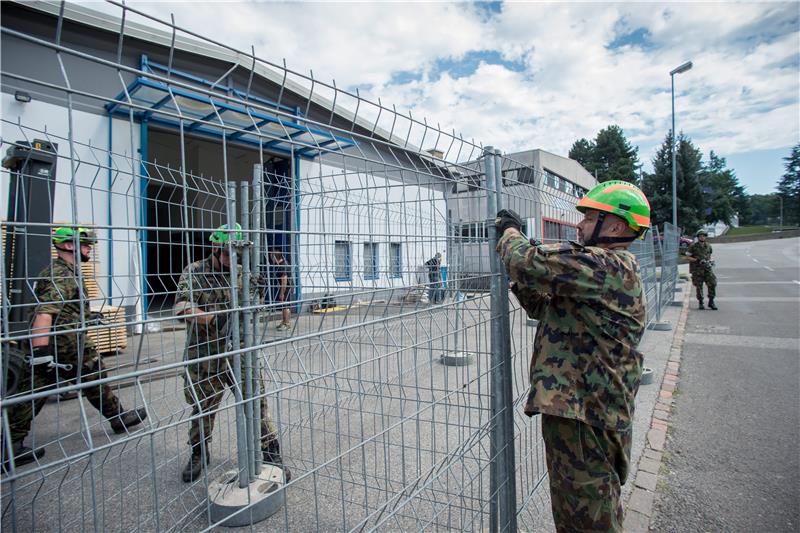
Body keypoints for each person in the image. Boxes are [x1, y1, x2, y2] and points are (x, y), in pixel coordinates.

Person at [495, 180, 651, 532]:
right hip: (586, 410)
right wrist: (522, 276)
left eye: (588, 217)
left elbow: (524, 259)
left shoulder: (606, 267)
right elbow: (546, 307)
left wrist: (508, 232)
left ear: (616, 226)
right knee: (586, 506)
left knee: (586, 516)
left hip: (586, 414)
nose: (578, 225)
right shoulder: (602, 273)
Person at [3, 227, 147, 469]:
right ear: (69, 245)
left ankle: (9, 446)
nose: (89, 248)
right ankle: (118, 418)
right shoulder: (62, 275)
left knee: (40, 392)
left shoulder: (66, 272)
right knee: (90, 382)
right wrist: (40, 352)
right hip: (66, 346)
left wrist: (89, 317)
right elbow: (45, 314)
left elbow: (67, 310)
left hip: (65, 342)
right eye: (85, 244)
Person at [174, 224, 290, 483]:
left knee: (256, 402)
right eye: (227, 254)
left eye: (237, 254)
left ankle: (271, 453)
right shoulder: (195, 272)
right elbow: (181, 307)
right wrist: (213, 319)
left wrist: (257, 294)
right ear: (215, 249)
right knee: (203, 408)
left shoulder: (242, 273)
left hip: (240, 354)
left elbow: (254, 309)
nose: (232, 259)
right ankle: (198, 453)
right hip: (206, 356)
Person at [685, 229, 717, 310]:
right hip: (697, 270)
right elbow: (687, 257)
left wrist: (710, 261)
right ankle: (701, 302)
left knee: (712, 283)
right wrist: (697, 260)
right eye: (700, 236)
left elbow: (709, 255)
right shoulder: (693, 246)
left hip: (707, 269)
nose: (702, 237)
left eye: (703, 236)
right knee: (699, 286)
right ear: (698, 237)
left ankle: (711, 301)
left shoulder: (708, 246)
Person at [268, 248, 292, 331]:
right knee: (283, 305)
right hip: (286, 287)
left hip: (286, 288)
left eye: (272, 257)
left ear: (275, 257)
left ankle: (287, 323)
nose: (271, 259)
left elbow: (284, 280)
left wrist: (282, 292)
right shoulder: (281, 264)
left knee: (286, 306)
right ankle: (284, 321)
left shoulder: (282, 266)